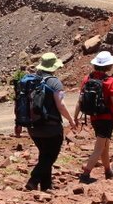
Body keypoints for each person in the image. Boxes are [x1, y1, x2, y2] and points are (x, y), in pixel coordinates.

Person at [14, 52, 75, 191]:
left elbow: (19, 103)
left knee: (44, 155)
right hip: (51, 127)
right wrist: (70, 120)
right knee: (50, 156)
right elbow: (61, 105)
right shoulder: (54, 82)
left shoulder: (29, 81)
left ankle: (46, 186)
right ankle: (33, 179)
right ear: (53, 67)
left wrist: (17, 124)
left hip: (33, 128)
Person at [73, 50, 113, 183]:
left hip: (94, 117)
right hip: (107, 118)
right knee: (99, 147)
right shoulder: (109, 81)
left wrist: (75, 116)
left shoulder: (87, 79)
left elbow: (80, 100)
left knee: (104, 145)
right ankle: (86, 174)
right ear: (108, 66)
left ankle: (108, 171)